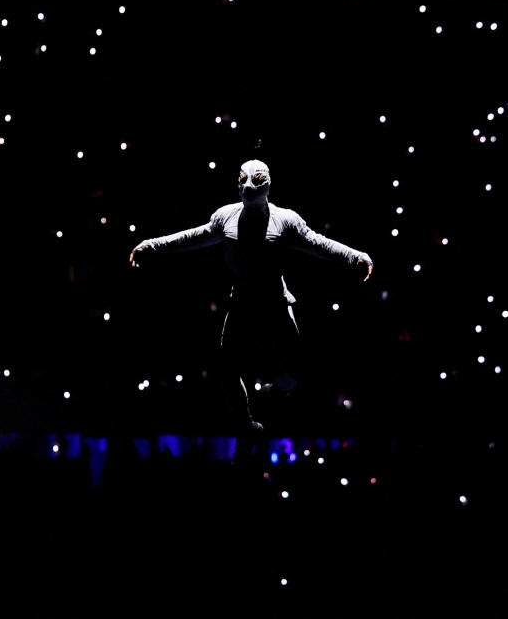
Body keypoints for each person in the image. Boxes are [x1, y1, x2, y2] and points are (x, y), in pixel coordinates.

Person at [129, 158, 373, 466]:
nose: (248, 187)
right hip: (242, 303)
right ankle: (248, 427)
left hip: (274, 302)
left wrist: (355, 257)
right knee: (227, 371)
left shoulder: (286, 221)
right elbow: (192, 236)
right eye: (244, 180)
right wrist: (152, 245)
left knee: (292, 373)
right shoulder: (226, 217)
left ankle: (271, 396)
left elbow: (318, 243)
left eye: (255, 181)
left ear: (268, 184)